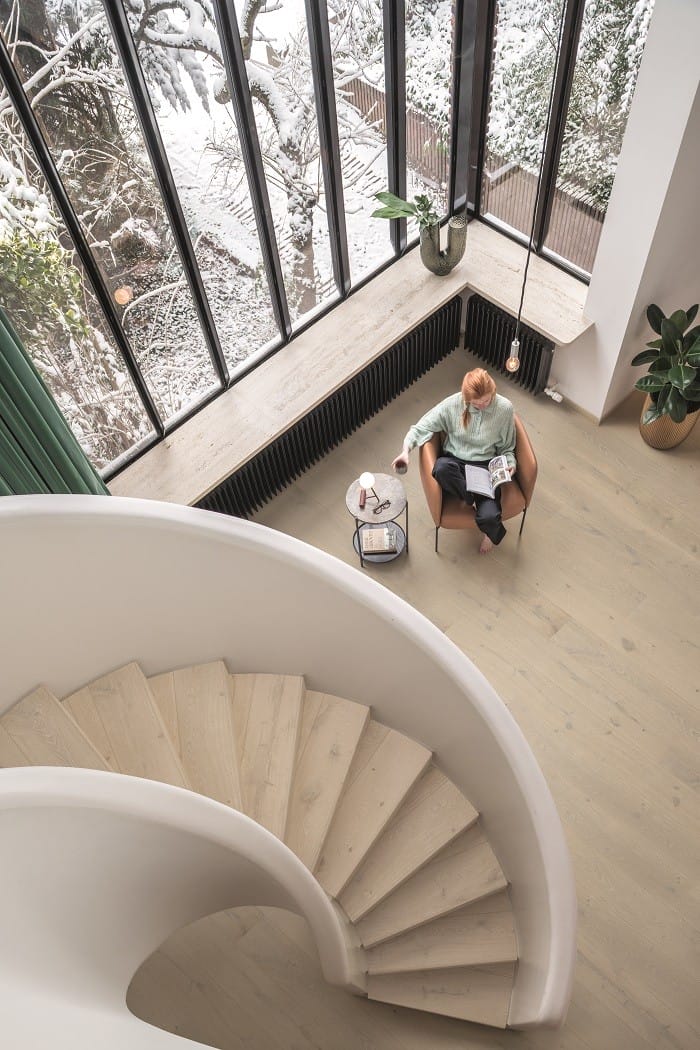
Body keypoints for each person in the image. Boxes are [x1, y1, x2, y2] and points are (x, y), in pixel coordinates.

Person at [392, 368, 516, 554]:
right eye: (476, 404)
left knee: (489, 517)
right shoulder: (453, 405)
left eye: (486, 401)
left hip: (485, 467)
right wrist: (405, 451)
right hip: (455, 464)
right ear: (466, 399)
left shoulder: (504, 408)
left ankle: (489, 530)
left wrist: (510, 463)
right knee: (440, 468)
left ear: (493, 392)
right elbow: (422, 427)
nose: (482, 406)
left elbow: (507, 447)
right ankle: (471, 497)